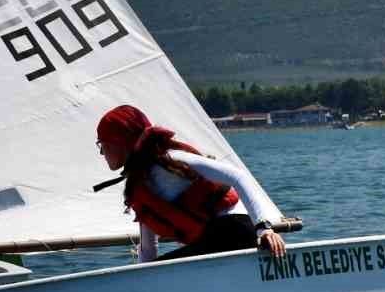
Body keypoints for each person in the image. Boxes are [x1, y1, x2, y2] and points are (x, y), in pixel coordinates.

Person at [96, 104, 288, 262]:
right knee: (158, 269)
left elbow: (238, 176)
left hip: (234, 231)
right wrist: (136, 285)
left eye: (102, 144)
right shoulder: (138, 188)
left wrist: (264, 229)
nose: (102, 152)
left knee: (164, 269)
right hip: (211, 242)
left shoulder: (171, 160)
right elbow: (148, 251)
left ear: (119, 142)